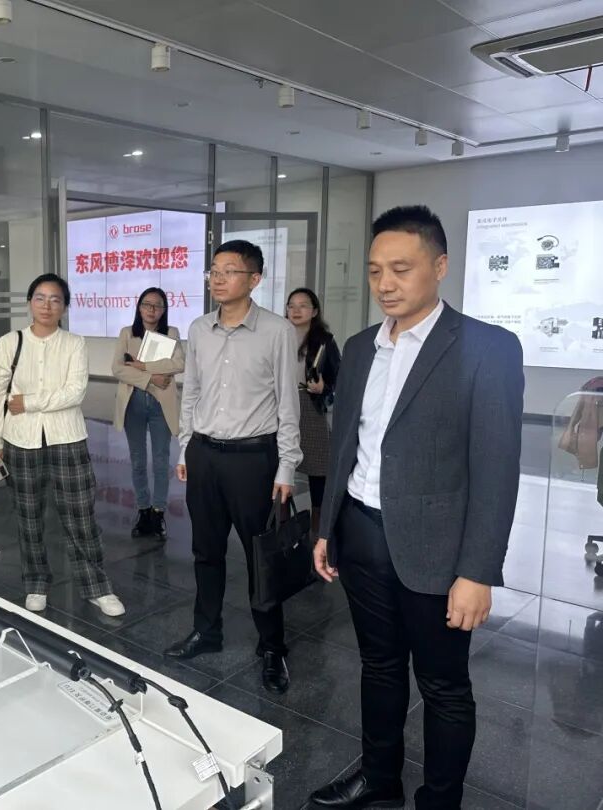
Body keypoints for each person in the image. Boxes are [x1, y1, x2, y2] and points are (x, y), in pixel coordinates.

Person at [308, 206, 523, 810]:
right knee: (378, 666)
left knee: (443, 686)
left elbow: (497, 473)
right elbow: (347, 445)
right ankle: (379, 780)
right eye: (376, 270)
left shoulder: (487, 348)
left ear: (440, 266)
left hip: (439, 551)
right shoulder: (360, 347)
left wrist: (477, 572)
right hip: (361, 530)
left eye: (401, 269)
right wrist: (328, 528)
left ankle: (439, 800)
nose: (385, 283)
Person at [164, 240, 301, 696]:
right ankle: (207, 631)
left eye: (229, 271)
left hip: (253, 460)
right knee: (206, 551)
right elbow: (191, 393)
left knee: (262, 557)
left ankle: (272, 646)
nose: (218, 279)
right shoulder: (199, 329)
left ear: (254, 279)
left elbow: (288, 403)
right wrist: (185, 449)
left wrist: (286, 467)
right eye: (213, 271)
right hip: (204, 454)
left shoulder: (277, 331)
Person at [0, 273, 125, 617]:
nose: (47, 306)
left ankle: (97, 587)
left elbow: (75, 392)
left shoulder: (74, 343)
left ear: (65, 307)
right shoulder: (10, 342)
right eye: (40, 298)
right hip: (20, 440)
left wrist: (28, 402)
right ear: (29, 303)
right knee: (28, 516)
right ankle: (36, 583)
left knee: (80, 516)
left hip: (67, 439)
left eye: (55, 299)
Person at [111, 287, 185, 540]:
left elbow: (179, 364)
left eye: (157, 305)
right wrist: (152, 377)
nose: (152, 310)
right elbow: (118, 369)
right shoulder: (127, 333)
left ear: (164, 310)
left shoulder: (171, 333)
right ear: (139, 307)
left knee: (162, 461)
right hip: (133, 403)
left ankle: (158, 511)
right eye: (147, 304)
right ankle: (143, 509)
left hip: (161, 405)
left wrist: (142, 366)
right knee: (138, 460)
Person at [286, 287, 341, 536]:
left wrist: (323, 388)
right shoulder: (279, 335)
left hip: (310, 406)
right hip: (282, 405)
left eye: (303, 306)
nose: (296, 311)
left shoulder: (324, 340)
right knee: (281, 465)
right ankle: (281, 528)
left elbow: (339, 377)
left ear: (314, 311)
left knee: (319, 469)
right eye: (291, 306)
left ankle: (319, 533)